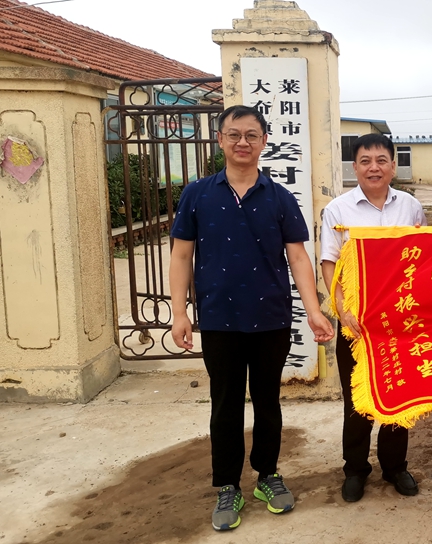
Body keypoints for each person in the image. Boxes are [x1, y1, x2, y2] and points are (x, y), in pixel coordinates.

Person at [169, 105, 334, 531]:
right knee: (225, 404)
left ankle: (267, 475)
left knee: (267, 401)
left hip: (271, 319)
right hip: (219, 319)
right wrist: (179, 312)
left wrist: (314, 311)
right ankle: (228, 485)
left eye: (251, 135)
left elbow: (298, 257)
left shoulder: (279, 197)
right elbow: (181, 256)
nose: (242, 142)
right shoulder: (197, 194)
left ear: (264, 142)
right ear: (220, 140)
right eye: (234, 134)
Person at [321, 133, 427, 502]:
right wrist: (343, 309)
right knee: (357, 401)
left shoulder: (411, 207)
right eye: (365, 161)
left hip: (401, 323)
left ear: (393, 166)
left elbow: (422, 258)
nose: (374, 168)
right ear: (355, 167)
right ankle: (355, 469)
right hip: (357, 324)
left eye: (382, 160)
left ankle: (395, 466)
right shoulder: (338, 210)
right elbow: (329, 263)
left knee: (400, 394)